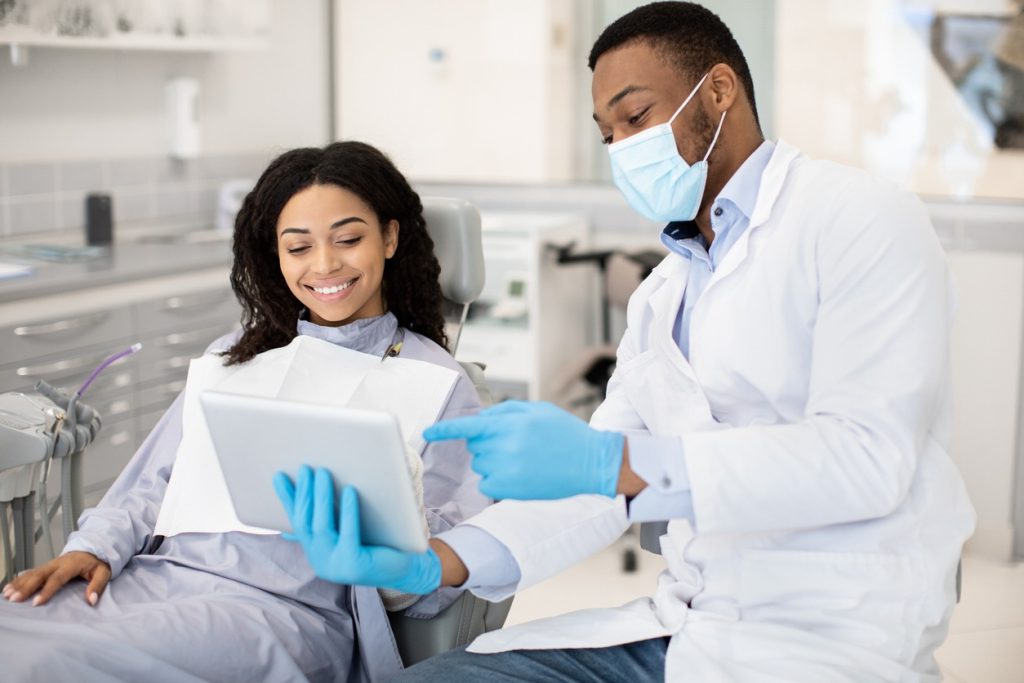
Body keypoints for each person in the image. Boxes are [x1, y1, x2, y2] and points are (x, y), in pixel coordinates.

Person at [278, 4, 976, 682]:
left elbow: (865, 458)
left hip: (834, 639)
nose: (619, 147)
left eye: (635, 116)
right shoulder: (662, 294)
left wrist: (614, 461)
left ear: (720, 90)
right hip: (684, 631)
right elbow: (594, 495)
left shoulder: (859, 218)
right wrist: (438, 561)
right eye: (607, 133)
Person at [0, 141, 489, 682]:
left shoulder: (439, 383)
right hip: (154, 581)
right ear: (275, 255)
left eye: (348, 239)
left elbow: (433, 574)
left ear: (390, 237)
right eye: (298, 247)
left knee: (55, 665)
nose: (325, 264)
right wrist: (93, 548)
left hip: (279, 612)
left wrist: (390, 526)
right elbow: (152, 483)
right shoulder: (237, 353)